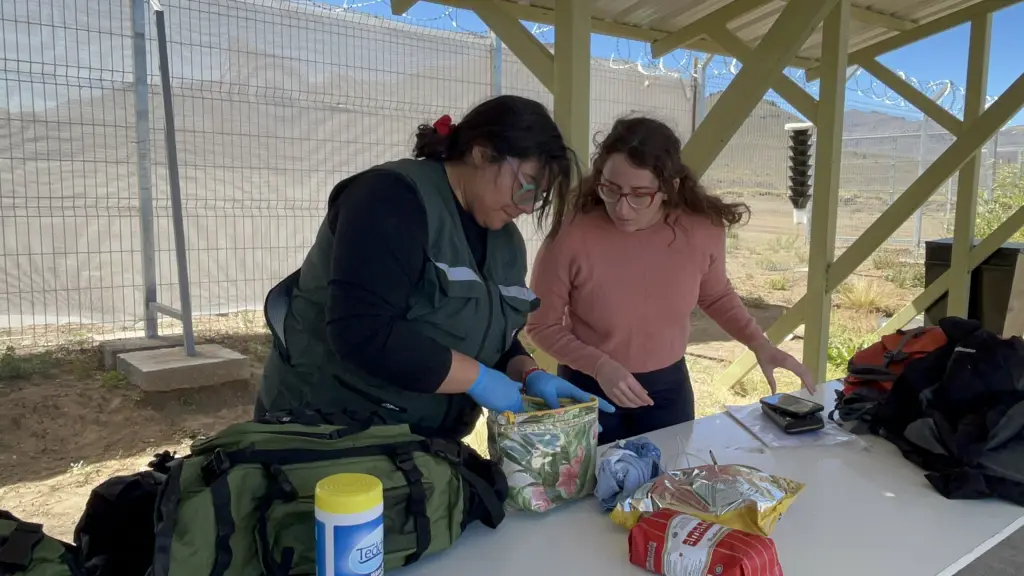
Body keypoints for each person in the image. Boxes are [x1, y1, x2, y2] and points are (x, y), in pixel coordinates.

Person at [256, 95, 613, 439]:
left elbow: (485, 337)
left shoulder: (505, 241)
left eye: (538, 198)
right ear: (482, 152)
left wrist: (527, 373)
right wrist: (478, 379)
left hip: (420, 442)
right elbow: (362, 332)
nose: (526, 207)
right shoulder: (390, 199)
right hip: (330, 431)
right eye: (526, 188)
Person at [526, 116, 814, 445]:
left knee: (667, 488)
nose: (622, 208)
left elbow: (715, 295)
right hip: (588, 387)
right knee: (593, 492)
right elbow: (541, 326)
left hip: (667, 391)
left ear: (669, 188)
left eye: (639, 194)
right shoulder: (571, 234)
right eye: (611, 190)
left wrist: (759, 344)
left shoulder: (701, 230)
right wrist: (599, 366)